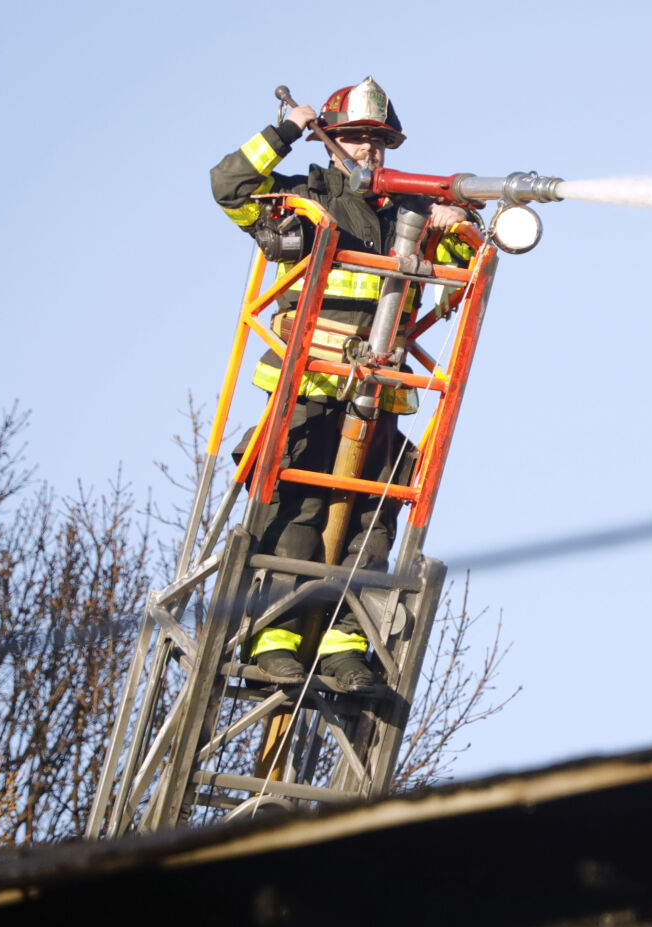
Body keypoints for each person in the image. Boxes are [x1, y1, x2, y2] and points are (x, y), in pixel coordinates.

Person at [210, 78, 472, 692]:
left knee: (370, 522)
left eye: (379, 141)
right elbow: (229, 187)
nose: (368, 151)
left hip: (379, 398)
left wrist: (457, 226)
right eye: (355, 138)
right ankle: (275, 636)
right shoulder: (301, 199)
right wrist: (285, 130)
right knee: (295, 513)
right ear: (331, 142)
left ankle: (344, 645)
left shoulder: (409, 212)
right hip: (308, 389)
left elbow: (458, 279)